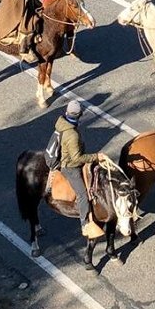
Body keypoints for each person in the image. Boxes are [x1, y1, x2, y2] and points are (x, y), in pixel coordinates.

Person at [55, 100, 112, 239]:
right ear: (79, 115)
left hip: (68, 158)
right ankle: (84, 223)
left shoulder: (63, 124)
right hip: (70, 167)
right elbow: (76, 158)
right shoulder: (72, 134)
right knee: (83, 195)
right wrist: (96, 156)